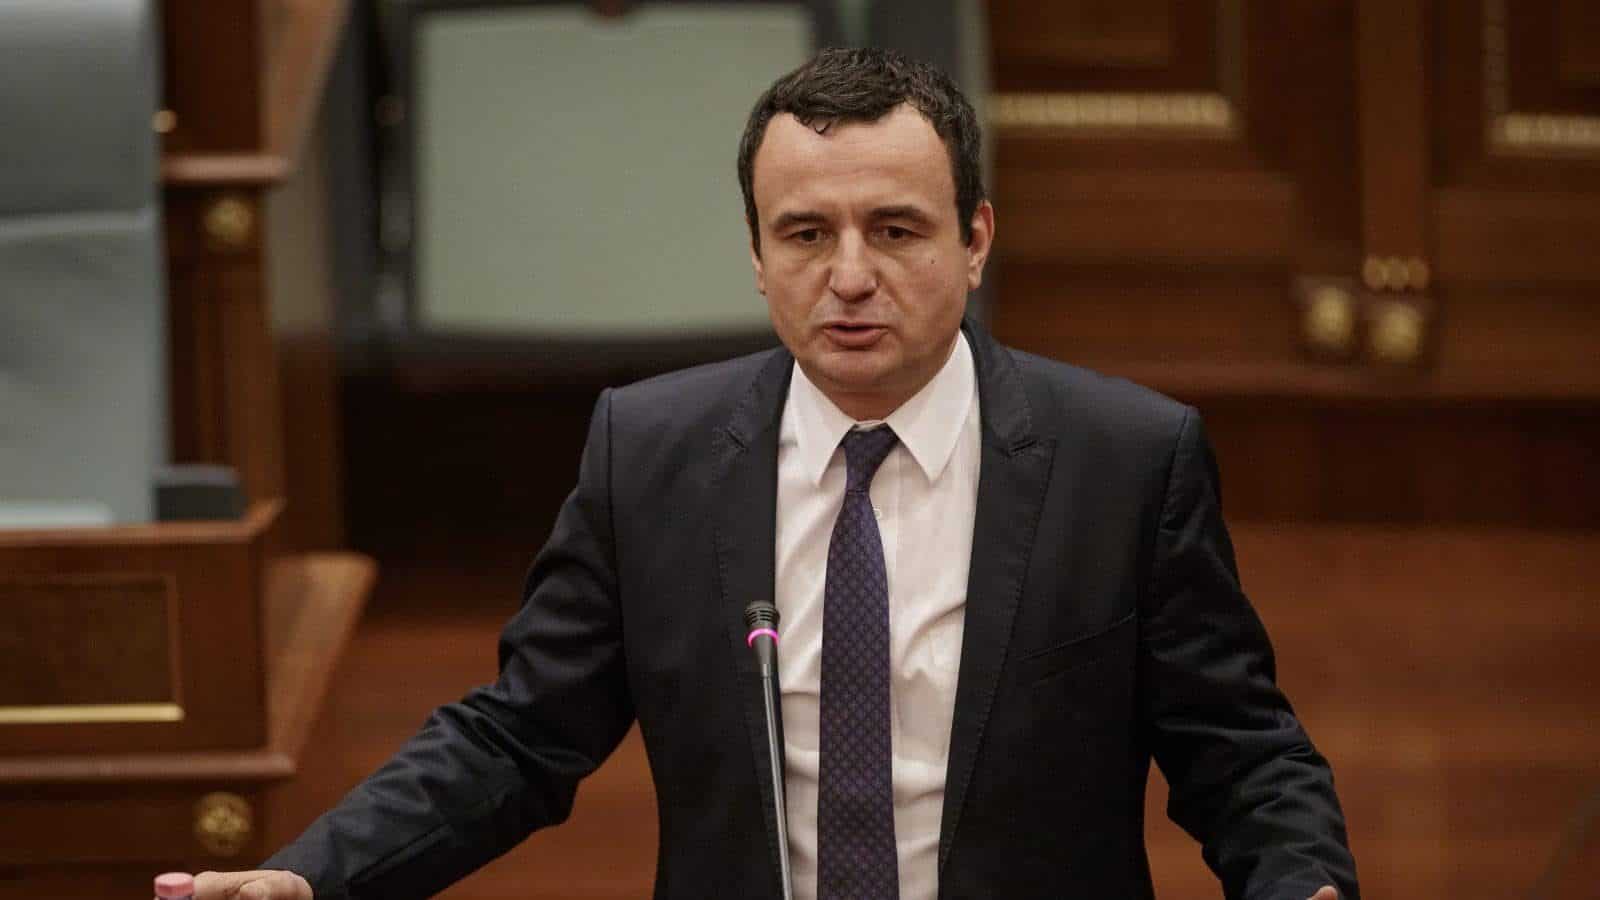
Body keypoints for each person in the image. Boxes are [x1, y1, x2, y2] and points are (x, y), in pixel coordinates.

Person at [193, 48, 1358, 900]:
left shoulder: (1123, 460)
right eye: (806, 234)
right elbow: (518, 737)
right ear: (755, 254)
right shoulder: (649, 452)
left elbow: (1240, 753)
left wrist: (1299, 882)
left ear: (975, 240)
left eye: (894, 230)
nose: (848, 277)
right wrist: (316, 875)